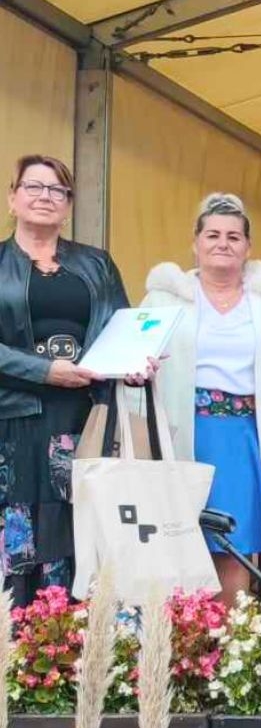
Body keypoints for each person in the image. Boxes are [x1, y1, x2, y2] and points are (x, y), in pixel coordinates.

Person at [141, 193, 261, 604]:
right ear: (195, 242)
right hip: (183, 434)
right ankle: (186, 634)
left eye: (234, 236)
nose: (223, 243)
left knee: (233, 544)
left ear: (248, 247)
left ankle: (229, 633)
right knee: (181, 539)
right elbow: (136, 357)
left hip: (243, 436)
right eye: (213, 235)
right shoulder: (164, 299)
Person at [0, 156, 132, 607]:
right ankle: (13, 633)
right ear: (13, 198)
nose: (45, 196)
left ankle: (77, 635)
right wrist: (43, 370)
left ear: (69, 204)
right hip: (12, 424)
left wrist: (134, 364)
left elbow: (121, 330)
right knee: (17, 534)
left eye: (57, 190)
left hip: (83, 420)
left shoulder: (96, 263)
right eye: (34, 187)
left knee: (81, 530)